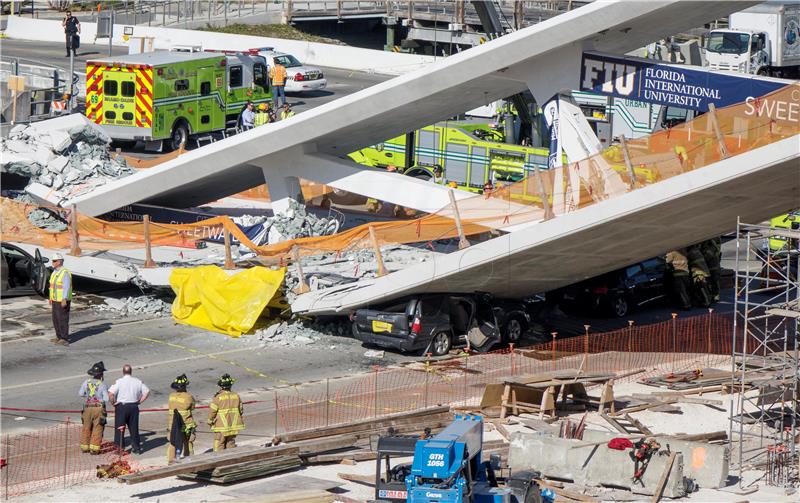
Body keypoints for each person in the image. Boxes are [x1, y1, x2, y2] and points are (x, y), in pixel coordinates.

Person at [108, 364, 150, 454]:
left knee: (119, 428)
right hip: (133, 407)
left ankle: (120, 449)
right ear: (131, 372)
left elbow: (111, 394)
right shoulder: (137, 381)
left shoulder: (119, 381)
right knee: (134, 428)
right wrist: (139, 401)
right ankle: (136, 448)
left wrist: (113, 403)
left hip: (121, 407)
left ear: (123, 372)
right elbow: (146, 392)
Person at [79, 361, 109, 455]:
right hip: (98, 408)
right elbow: (106, 399)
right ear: (101, 374)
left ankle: (85, 447)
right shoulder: (102, 384)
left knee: (86, 427)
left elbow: (80, 394)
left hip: (87, 407)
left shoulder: (86, 382)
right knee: (98, 427)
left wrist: (89, 397)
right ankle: (94, 449)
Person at [208, 374, 244, 451]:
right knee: (230, 444)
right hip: (234, 426)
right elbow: (241, 410)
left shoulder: (218, 397)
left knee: (219, 445)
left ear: (221, 386)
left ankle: (218, 461)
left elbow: (212, 412)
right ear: (230, 385)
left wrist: (210, 421)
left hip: (222, 427)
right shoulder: (236, 396)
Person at [166, 374, 195, 463]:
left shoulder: (171, 396)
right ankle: (188, 460)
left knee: (173, 443)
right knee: (187, 442)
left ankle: (171, 461)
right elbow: (193, 407)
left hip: (172, 425)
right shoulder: (189, 397)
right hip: (186, 425)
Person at [49, 252, 72, 346]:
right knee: (55, 319)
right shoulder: (55, 272)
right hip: (55, 300)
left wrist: (64, 299)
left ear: (59, 262)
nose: (53, 263)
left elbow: (66, 286)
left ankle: (64, 338)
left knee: (62, 319)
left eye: (54, 261)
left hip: (62, 300)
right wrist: (51, 298)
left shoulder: (64, 272)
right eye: (52, 261)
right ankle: (59, 337)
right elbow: (53, 287)